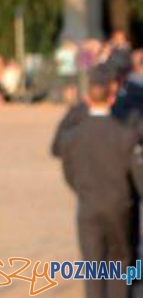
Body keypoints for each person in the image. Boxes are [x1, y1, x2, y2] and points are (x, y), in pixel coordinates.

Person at [51, 65, 141, 298]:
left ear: (87, 97)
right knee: (120, 265)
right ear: (112, 97)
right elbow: (137, 178)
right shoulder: (125, 136)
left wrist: (85, 190)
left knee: (93, 269)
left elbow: (69, 172)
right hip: (120, 207)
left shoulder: (73, 136)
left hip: (88, 206)